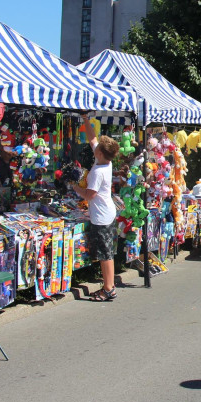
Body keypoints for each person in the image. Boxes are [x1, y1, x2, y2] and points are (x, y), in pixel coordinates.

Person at [71, 117, 121, 301]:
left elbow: (89, 195)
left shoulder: (98, 172)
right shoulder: (105, 162)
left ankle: (108, 288)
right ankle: (109, 286)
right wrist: (85, 118)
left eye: (98, 146)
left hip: (101, 216)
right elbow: (93, 139)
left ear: (99, 153)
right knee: (106, 252)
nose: (95, 145)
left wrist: (74, 187)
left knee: (105, 253)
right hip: (105, 212)